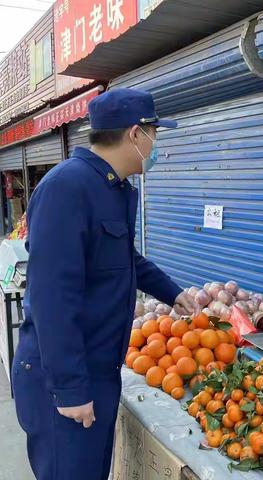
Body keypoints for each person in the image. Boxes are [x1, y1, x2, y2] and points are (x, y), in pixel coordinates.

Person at [12, 88, 199, 480]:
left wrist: (173, 292)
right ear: (136, 134)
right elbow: (51, 298)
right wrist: (70, 388)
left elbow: (122, 259)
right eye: (155, 133)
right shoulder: (68, 187)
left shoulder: (112, 188)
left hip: (98, 368)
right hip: (62, 379)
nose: (156, 143)